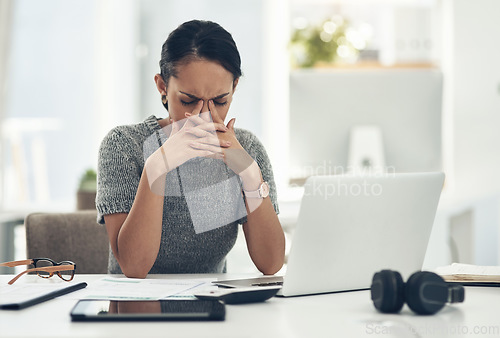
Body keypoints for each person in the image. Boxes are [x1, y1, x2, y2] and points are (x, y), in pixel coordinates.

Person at [96, 20, 285, 278]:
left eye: (220, 101)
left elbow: (271, 263)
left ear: (234, 87)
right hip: (136, 309)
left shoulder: (247, 148)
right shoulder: (123, 144)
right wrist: (157, 165)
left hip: (211, 306)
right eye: (188, 100)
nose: (205, 115)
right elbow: (134, 267)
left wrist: (250, 173)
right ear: (163, 87)